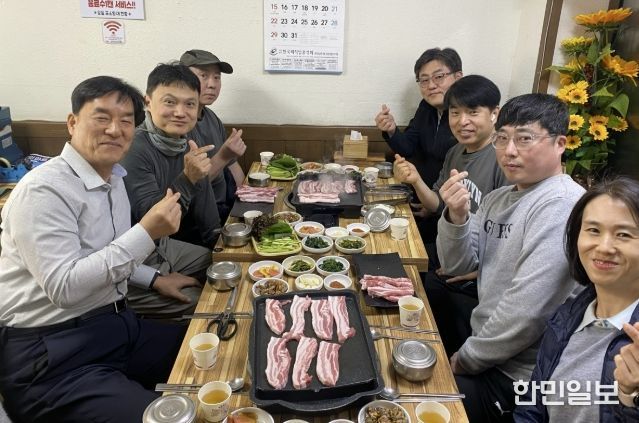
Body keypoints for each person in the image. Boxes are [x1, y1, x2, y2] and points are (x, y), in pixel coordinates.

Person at [0, 76, 186, 422]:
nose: (115, 130)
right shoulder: (43, 190)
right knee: (162, 418)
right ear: (72, 123)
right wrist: (146, 232)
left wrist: (153, 279)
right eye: (102, 117)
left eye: (126, 121)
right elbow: (64, 287)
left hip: (116, 328)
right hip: (51, 359)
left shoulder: (113, 178)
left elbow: (107, 252)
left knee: (210, 347)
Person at [436, 93, 586, 422]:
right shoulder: (498, 198)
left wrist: (465, 359)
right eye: (502, 139)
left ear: (560, 143)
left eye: (525, 138)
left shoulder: (562, 204)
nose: (509, 151)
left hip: (520, 376)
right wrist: (456, 216)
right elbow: (457, 265)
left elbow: (527, 312)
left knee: (425, 402)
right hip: (488, 345)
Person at [394, 74, 508, 356]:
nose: (462, 121)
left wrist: (482, 270)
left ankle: (444, 358)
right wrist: (415, 180)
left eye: (473, 112)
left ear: (494, 113)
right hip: (454, 251)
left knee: (422, 282)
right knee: (396, 264)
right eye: (455, 113)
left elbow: (510, 232)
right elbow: (437, 205)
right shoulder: (455, 152)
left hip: (480, 271)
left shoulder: (504, 158)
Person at [515, 177, 639, 422]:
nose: (604, 247)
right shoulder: (567, 316)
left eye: (623, 234)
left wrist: (630, 399)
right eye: (593, 230)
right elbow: (531, 406)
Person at [121, 63, 215, 319]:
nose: (180, 112)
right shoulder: (134, 148)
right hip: (131, 257)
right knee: (205, 303)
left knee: (218, 264)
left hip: (161, 245)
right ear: (148, 102)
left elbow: (204, 193)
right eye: (170, 102)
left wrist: (218, 241)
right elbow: (154, 219)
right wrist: (188, 178)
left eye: (189, 104)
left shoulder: (186, 139)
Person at [375, 47, 462, 268]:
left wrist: (433, 204)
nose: (431, 85)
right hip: (423, 200)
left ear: (458, 77)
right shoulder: (427, 108)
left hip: (446, 213)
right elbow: (408, 146)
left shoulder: (465, 121)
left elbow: (462, 176)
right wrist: (392, 130)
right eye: (424, 80)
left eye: (439, 77)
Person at [180, 49, 247, 223]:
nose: (212, 84)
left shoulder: (211, 117)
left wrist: (247, 200)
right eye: (203, 76)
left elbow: (232, 165)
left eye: (217, 77)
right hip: (195, 218)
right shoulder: (177, 124)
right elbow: (190, 183)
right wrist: (224, 155)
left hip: (224, 207)